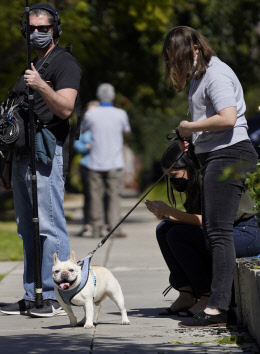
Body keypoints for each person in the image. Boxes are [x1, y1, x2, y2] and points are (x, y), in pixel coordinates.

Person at [162, 26, 258, 328]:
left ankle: (217, 307)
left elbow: (228, 117)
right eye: (169, 60)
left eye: (177, 58)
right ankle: (209, 300)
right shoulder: (200, 76)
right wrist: (195, 136)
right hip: (217, 153)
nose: (174, 66)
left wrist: (190, 127)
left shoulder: (216, 74)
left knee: (218, 232)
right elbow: (214, 122)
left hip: (230, 155)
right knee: (214, 232)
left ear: (194, 50)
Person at [0, 3, 81, 317]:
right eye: (32, 28)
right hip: (21, 155)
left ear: (54, 29)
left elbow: (65, 109)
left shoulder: (64, 63)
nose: (36, 33)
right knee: (27, 228)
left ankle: (57, 296)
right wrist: (6, 165)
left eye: (43, 28)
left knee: (49, 224)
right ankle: (32, 293)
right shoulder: (32, 66)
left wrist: (41, 85)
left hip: (47, 152)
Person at [147, 143, 260, 319]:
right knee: (165, 229)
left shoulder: (212, 178)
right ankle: (186, 295)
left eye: (175, 175)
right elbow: (199, 219)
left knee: (179, 235)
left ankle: (207, 296)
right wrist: (167, 216)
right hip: (223, 232)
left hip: (245, 233)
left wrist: (172, 212)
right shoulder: (196, 182)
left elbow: (213, 222)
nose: (173, 181)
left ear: (189, 167)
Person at [82, 84, 131, 238]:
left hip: (95, 162)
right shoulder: (121, 113)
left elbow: (83, 130)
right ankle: (115, 228)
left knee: (95, 197)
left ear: (98, 97)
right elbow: (127, 131)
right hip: (115, 162)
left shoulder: (91, 114)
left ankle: (97, 228)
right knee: (114, 197)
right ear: (113, 96)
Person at [74, 100, 98, 236]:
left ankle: (103, 223)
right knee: (88, 195)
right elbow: (76, 145)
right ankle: (87, 223)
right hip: (87, 164)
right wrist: (86, 147)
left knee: (103, 195)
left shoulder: (102, 126)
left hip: (102, 165)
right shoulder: (83, 128)